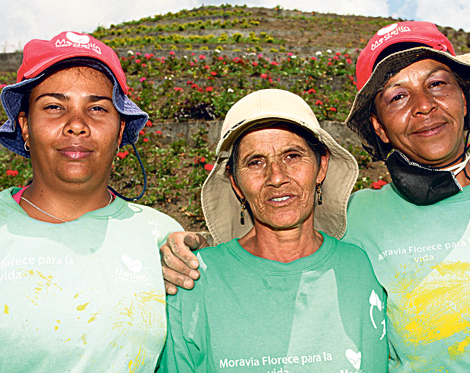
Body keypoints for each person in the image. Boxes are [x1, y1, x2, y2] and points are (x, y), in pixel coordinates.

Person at [160, 21, 470, 371]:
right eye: (397, 96)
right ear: (379, 127)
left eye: (438, 84)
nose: (424, 106)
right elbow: (280, 246)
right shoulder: (361, 219)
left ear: (465, 96)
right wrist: (187, 246)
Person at [0, 31, 183, 371]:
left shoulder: (160, 237)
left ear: (120, 131)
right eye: (54, 107)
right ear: (25, 126)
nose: (77, 125)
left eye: (97, 108)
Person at [157, 89, 388, 372]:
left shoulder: (358, 268)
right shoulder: (193, 281)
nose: (276, 177)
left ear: (321, 166)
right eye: (255, 162)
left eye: (292, 156)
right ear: (235, 182)